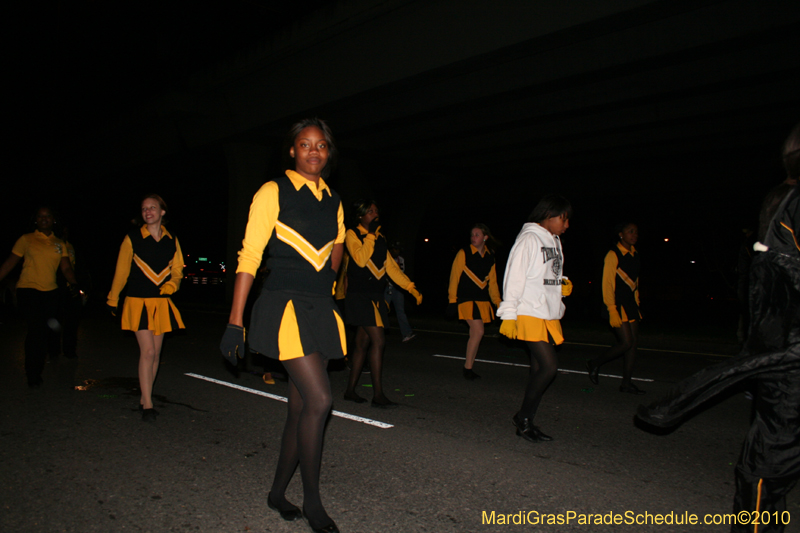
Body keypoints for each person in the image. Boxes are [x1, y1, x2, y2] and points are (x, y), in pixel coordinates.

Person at [636, 122, 800, 532]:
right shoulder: (786, 202)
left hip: (789, 363)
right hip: (780, 354)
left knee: (762, 474)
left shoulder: (791, 203)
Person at [220, 118, 345, 533]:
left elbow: (338, 247)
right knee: (321, 400)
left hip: (318, 307)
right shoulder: (273, 191)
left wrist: (330, 278)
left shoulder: (335, 200)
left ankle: (277, 494)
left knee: (299, 408)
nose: (314, 151)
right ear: (292, 151)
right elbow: (249, 255)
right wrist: (235, 321)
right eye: (305, 144)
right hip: (285, 305)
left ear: (328, 152)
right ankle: (312, 503)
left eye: (321, 145)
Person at [497, 195, 573, 443]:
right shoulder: (529, 239)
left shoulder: (555, 240)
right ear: (548, 216)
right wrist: (509, 313)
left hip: (546, 312)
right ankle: (523, 417)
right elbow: (514, 277)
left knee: (538, 369)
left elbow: (547, 273)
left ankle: (527, 421)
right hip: (528, 310)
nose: (566, 224)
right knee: (549, 367)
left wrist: (561, 285)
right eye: (563, 219)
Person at [107, 194, 184, 422]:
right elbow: (121, 271)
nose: (147, 211)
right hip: (138, 301)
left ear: (162, 212)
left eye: (152, 208)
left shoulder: (172, 239)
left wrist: (173, 283)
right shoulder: (132, 238)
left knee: (157, 354)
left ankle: (145, 396)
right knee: (148, 352)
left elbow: (178, 268)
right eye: (144, 209)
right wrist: (113, 299)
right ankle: (148, 404)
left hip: (160, 303)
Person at [342, 200, 422, 408]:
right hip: (359, 296)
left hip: (375, 296)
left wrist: (410, 287)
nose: (374, 214)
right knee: (378, 340)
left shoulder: (380, 238)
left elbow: (391, 269)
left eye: (376, 211)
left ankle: (350, 391)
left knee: (362, 343)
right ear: (360, 216)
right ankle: (378, 394)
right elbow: (360, 259)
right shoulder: (352, 234)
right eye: (369, 211)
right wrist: (370, 235)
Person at [0, 206, 79, 387]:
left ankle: (37, 368)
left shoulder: (60, 243)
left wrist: (74, 284)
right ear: (36, 220)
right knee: (35, 330)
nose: (44, 219)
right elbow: (10, 263)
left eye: (48, 216)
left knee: (43, 333)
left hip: (50, 292)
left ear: (53, 220)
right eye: (40, 216)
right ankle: (32, 373)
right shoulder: (26, 239)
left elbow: (66, 268)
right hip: (28, 290)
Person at [586, 222, 645, 394]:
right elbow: (607, 283)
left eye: (636, 232)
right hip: (616, 304)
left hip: (630, 304)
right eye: (630, 231)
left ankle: (626, 383)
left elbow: (635, 282)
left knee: (633, 345)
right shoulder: (613, 254)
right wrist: (611, 308)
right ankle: (595, 363)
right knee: (626, 342)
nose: (634, 235)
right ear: (621, 234)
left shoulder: (635, 254)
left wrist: (637, 301)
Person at [447, 223, 502, 380]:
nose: (473, 237)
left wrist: (498, 303)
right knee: (478, 331)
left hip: (482, 301)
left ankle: (468, 367)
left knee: (475, 333)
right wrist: (452, 300)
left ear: (485, 237)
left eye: (477, 235)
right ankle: (468, 368)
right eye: (472, 235)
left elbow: (493, 283)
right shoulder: (463, 253)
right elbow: (454, 277)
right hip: (465, 299)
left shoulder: (490, 256)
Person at [384, 242, 416, 342]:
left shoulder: (401, 260)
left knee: (400, 311)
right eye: (395, 249)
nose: (397, 251)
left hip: (398, 289)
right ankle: (377, 333)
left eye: (398, 250)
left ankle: (406, 333)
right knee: (383, 310)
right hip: (386, 288)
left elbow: (401, 274)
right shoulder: (385, 258)